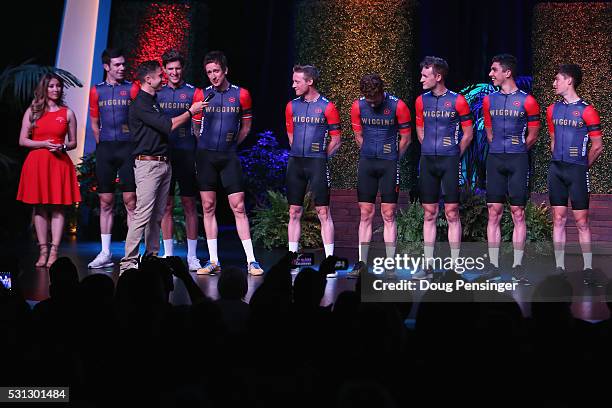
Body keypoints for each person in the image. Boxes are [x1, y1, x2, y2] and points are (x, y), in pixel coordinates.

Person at [119, 61, 204, 273]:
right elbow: (168, 126)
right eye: (159, 74)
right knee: (142, 215)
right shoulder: (141, 103)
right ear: (148, 79)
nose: (163, 77)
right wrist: (191, 112)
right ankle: (128, 264)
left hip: (163, 164)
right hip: (148, 165)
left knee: (157, 216)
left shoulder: (154, 101)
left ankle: (151, 258)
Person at [195, 51, 264, 276]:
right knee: (208, 207)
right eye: (209, 73)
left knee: (239, 207)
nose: (213, 76)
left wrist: (232, 145)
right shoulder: (201, 94)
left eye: (216, 71)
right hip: (206, 156)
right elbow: (196, 127)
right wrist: (204, 143)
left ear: (225, 70)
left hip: (229, 156)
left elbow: (245, 127)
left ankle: (252, 261)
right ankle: (213, 260)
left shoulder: (241, 95)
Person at [412, 56, 473, 280]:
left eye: (425, 76)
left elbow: (468, 134)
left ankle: (455, 267)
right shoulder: (420, 101)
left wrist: (455, 154)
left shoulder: (458, 101)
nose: (421, 80)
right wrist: (429, 147)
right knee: (429, 213)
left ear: (438, 77)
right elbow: (420, 130)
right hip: (428, 161)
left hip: (449, 161)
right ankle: (428, 266)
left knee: (451, 213)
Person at [346, 74, 411, 279]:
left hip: (388, 164)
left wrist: (392, 158)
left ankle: (390, 265)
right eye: (368, 99)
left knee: (388, 214)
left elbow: (407, 138)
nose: (371, 103)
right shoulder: (357, 106)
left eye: (375, 99)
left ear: (382, 92)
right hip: (367, 163)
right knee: (365, 213)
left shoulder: (398, 106)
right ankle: (362, 263)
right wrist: (369, 152)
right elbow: (358, 136)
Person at [482, 54, 540, 284]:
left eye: (494, 70)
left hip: (517, 160)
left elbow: (533, 134)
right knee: (493, 211)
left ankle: (517, 265)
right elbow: (488, 130)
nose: (490, 74)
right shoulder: (489, 101)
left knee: (518, 213)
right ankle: (493, 266)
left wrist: (516, 150)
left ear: (507, 73)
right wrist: (498, 148)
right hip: (495, 159)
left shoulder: (528, 101)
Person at [546, 64, 604, 286]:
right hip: (556, 170)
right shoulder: (552, 109)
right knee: (558, 219)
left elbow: (597, 146)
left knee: (581, 222)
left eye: (557, 79)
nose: (554, 83)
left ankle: (588, 269)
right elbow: (553, 140)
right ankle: (559, 268)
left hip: (576, 171)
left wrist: (582, 167)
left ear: (569, 80)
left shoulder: (588, 110)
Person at [17, 73, 81, 268]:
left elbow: (73, 142)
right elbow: (23, 140)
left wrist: (62, 147)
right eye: (52, 86)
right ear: (44, 88)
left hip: (58, 163)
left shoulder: (67, 113)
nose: (56, 89)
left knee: (58, 207)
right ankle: (43, 250)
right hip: (37, 163)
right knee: (39, 206)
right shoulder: (33, 111)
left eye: (59, 86)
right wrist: (43, 143)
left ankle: (54, 251)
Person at [285, 65, 342, 278]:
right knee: (294, 212)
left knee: (323, 213)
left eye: (297, 81)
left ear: (309, 82)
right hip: (296, 163)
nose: (293, 85)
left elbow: (336, 140)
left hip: (317, 163)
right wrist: (300, 153)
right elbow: (290, 135)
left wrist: (319, 158)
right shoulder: (291, 106)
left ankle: (330, 263)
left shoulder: (328, 107)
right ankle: (293, 260)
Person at [87, 48, 140, 269]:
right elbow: (94, 122)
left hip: (128, 149)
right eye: (117, 65)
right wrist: (102, 145)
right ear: (106, 67)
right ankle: (106, 252)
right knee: (105, 201)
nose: (122, 68)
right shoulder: (96, 91)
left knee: (131, 202)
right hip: (106, 150)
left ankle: (132, 255)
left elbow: (139, 118)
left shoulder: (132, 88)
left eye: (123, 64)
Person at [157, 48, 204, 271]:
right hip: (164, 155)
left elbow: (198, 128)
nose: (174, 72)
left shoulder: (194, 92)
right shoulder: (156, 93)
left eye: (177, 68)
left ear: (182, 69)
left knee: (189, 205)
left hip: (187, 154)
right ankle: (168, 256)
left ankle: (192, 256)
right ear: (164, 71)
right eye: (170, 69)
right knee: (165, 206)